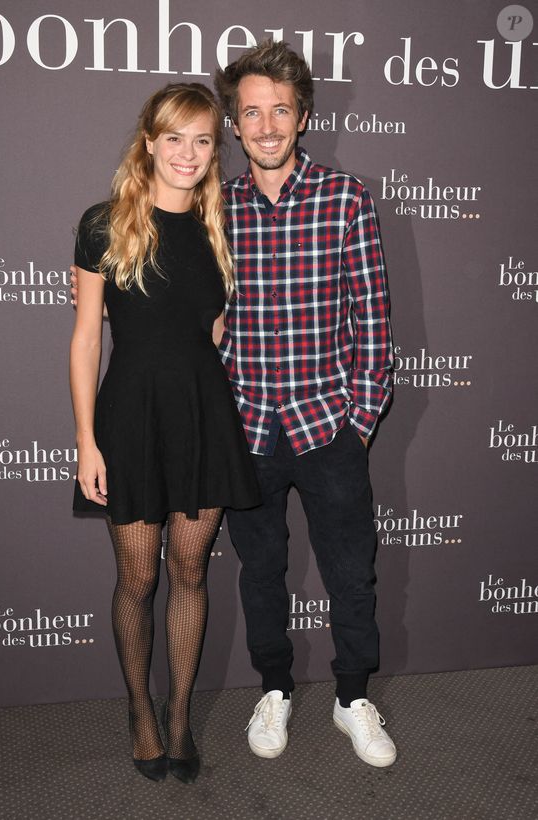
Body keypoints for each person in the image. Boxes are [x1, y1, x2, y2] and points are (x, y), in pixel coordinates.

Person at [69, 82, 260, 785]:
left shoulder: (223, 227)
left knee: (190, 571)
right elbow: (87, 339)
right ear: (148, 141)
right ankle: (138, 709)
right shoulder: (103, 224)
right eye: (174, 136)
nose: (188, 152)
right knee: (137, 576)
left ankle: (179, 712)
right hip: (129, 419)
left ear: (216, 150)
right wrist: (88, 441)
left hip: (204, 417)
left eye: (203, 139)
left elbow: (212, 330)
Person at [213, 40, 397, 768]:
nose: (265, 125)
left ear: (303, 115)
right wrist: (94, 280)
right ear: (233, 123)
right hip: (246, 430)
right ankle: (276, 690)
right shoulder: (213, 208)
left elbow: (374, 322)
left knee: (351, 569)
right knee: (260, 571)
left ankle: (353, 698)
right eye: (250, 112)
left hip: (329, 427)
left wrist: (359, 420)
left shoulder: (346, 198)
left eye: (279, 110)